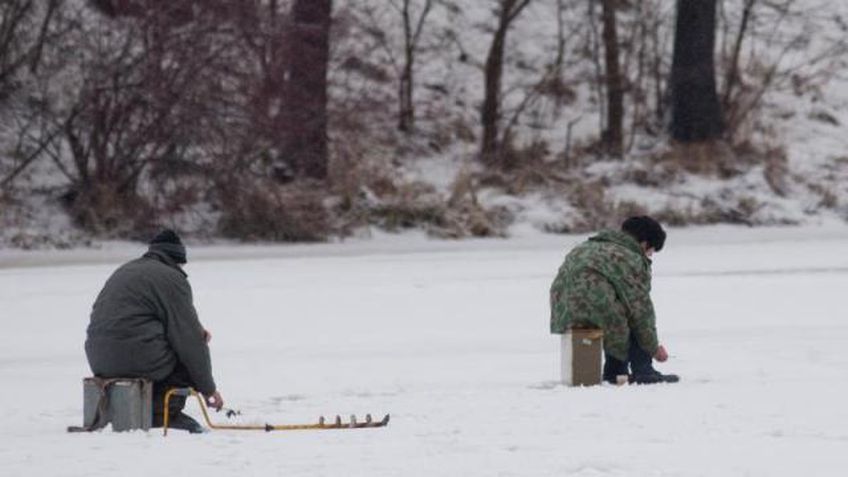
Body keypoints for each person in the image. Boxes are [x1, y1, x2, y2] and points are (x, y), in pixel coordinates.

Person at [85, 229, 224, 432]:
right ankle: (161, 415)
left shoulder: (126, 269)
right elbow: (190, 342)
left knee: (179, 347)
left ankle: (128, 409)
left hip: (99, 360)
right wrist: (208, 389)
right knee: (187, 357)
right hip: (135, 358)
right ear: (177, 260)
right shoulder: (173, 279)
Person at [549, 216, 679, 384]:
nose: (649, 256)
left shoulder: (585, 247)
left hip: (563, 310)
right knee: (631, 314)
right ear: (645, 244)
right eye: (651, 251)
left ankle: (616, 372)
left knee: (613, 306)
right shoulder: (631, 257)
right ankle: (643, 371)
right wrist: (654, 348)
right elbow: (641, 310)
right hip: (597, 309)